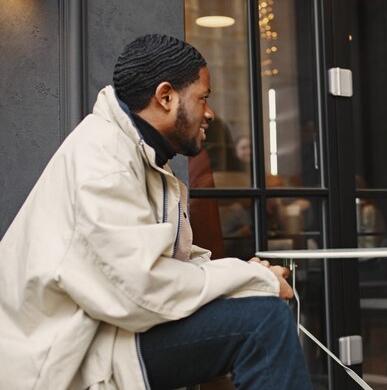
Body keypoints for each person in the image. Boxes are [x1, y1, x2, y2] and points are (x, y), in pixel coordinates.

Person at [0, 34, 313, 390]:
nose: (209, 113)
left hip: (108, 332)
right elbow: (141, 290)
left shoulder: (139, 155)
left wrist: (247, 276)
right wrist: (253, 279)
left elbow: (165, 269)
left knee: (258, 311)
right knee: (261, 322)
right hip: (65, 357)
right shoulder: (104, 161)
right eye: (203, 98)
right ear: (166, 97)